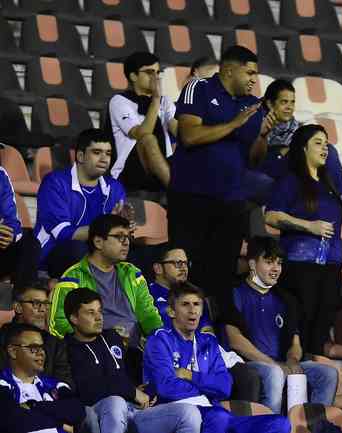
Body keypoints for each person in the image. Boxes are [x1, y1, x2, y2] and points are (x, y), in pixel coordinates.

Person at [169, 44, 277, 303]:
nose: (254, 80)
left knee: (220, 277)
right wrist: (234, 124)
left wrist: (262, 136)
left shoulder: (252, 104)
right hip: (191, 198)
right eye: (249, 73)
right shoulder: (199, 88)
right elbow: (189, 135)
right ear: (229, 70)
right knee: (185, 273)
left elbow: (253, 160)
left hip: (231, 202)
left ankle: (213, 335)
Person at [143, 282, 292, 433]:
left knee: (280, 423)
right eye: (185, 304)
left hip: (215, 412)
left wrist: (189, 375)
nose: (192, 310)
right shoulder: (160, 339)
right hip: (180, 412)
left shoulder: (208, 343)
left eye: (197, 304)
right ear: (171, 311)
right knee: (218, 417)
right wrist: (208, 386)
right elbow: (165, 387)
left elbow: (225, 387)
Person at [223, 236, 338, 414]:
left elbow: (295, 343)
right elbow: (235, 340)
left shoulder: (286, 299)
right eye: (269, 262)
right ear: (252, 264)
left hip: (281, 362)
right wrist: (273, 364)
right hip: (249, 364)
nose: (276, 269)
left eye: (279, 263)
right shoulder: (235, 292)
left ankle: (314, 426)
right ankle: (272, 426)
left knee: (328, 374)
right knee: (274, 374)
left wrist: (292, 360)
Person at [64, 287, 201, 433]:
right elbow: (90, 389)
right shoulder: (68, 347)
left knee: (188, 413)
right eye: (91, 313)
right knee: (115, 402)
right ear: (74, 318)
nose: (99, 317)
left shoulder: (112, 337)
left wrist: (148, 389)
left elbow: (126, 374)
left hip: (133, 409)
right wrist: (132, 392)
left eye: (99, 311)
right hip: (100, 413)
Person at [265, 124, 342, 356]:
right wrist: (308, 226)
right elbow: (271, 216)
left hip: (330, 268)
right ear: (303, 148)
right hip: (300, 267)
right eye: (318, 143)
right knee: (298, 332)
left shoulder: (329, 184)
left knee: (320, 333)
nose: (324, 149)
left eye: (326, 143)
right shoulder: (291, 181)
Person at [150, 246, 262, 402]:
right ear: (158, 268)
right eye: (177, 263)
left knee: (249, 376)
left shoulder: (194, 294)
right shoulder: (148, 296)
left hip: (205, 352)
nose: (183, 268)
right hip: (175, 352)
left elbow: (207, 332)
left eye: (185, 263)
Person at [49, 214, 162, 349]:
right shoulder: (73, 277)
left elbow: (148, 315)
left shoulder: (132, 273)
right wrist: (96, 341)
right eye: (120, 237)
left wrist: (162, 343)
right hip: (96, 352)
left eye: (128, 237)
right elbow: (58, 324)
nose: (126, 242)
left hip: (134, 351)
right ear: (98, 242)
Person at [35, 128, 129, 278]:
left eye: (108, 153)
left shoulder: (114, 187)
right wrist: (106, 227)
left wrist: (125, 229)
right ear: (80, 156)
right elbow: (63, 234)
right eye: (97, 152)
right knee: (79, 250)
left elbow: (114, 234)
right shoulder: (55, 182)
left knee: (139, 254)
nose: (104, 159)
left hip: (97, 251)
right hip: (53, 255)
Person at [107, 52, 177, 200]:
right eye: (149, 72)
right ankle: (178, 191)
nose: (156, 77)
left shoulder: (165, 102)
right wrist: (156, 100)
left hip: (162, 165)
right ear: (133, 76)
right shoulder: (119, 101)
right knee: (148, 139)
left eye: (158, 72)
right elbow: (141, 133)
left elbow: (178, 131)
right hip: (131, 169)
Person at [257, 79, 342, 194]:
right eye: (284, 102)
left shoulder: (293, 126)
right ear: (270, 104)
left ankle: (341, 197)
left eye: (292, 102)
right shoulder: (257, 122)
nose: (289, 107)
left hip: (290, 163)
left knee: (328, 150)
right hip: (266, 164)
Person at [0, 323, 86, 433]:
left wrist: (33, 405)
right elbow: (11, 421)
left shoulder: (55, 384)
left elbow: (77, 411)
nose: (41, 353)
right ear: (13, 351)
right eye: (34, 348)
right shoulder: (3, 383)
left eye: (42, 348)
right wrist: (61, 423)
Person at [0, 281, 74, 389]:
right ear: (18, 307)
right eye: (36, 303)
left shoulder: (56, 344)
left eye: (46, 304)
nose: (43, 309)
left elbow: (65, 381)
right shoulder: (2, 339)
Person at [0, 162, 39, 288]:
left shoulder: (1, 174)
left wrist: (10, 236)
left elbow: (12, 220)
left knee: (29, 242)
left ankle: (23, 298)